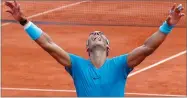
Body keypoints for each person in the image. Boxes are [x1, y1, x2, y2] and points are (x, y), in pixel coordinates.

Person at [5, 0, 185, 97]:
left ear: (108, 47)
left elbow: (147, 47)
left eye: (100, 35)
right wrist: (24, 21)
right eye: (92, 35)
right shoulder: (76, 65)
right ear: (87, 48)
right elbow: (48, 44)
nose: (96, 34)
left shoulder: (120, 65)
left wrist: (167, 26)